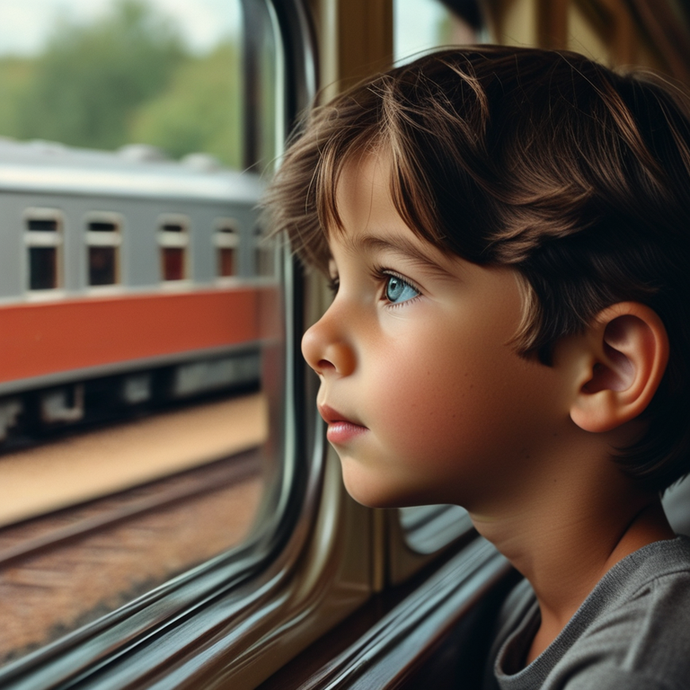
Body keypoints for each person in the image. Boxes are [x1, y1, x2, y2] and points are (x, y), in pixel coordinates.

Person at [263, 46, 690, 688]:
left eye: (394, 286)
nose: (316, 338)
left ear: (606, 369)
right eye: (334, 282)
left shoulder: (637, 669)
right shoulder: (539, 599)